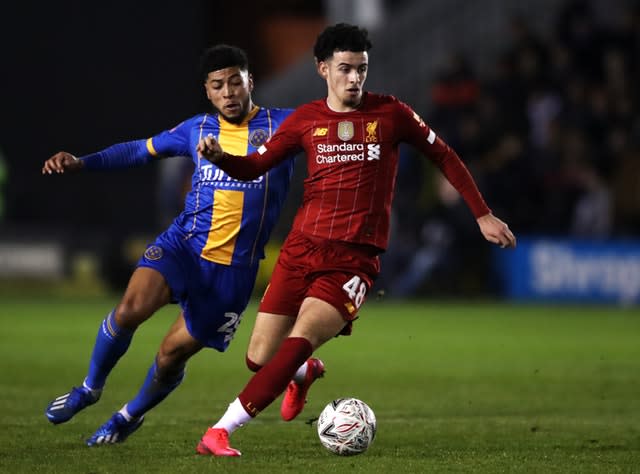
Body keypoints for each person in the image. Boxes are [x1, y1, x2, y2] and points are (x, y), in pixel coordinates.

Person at [194, 23, 517, 457]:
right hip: (301, 249)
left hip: (353, 260)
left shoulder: (393, 114)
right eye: (345, 69)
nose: (354, 79)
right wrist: (222, 159)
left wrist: (482, 213)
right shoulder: (306, 120)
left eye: (361, 69)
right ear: (322, 69)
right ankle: (303, 374)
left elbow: (443, 153)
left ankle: (219, 431)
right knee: (259, 356)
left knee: (296, 342)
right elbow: (255, 166)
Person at [41, 44, 321, 446]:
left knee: (170, 356)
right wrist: (82, 161)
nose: (228, 92)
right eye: (218, 85)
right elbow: (140, 149)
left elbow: (331, 127)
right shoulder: (197, 129)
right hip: (183, 246)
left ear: (250, 82)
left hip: (232, 272)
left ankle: (128, 416)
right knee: (129, 309)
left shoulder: (286, 125)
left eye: (235, 82)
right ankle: (89, 388)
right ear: (207, 92)